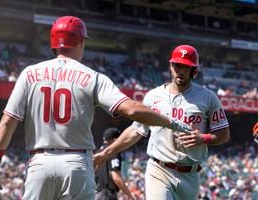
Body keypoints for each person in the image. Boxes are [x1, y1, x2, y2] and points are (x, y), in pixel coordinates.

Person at [0, 16, 191, 200]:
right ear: (80, 41)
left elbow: (8, 122)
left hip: (39, 163)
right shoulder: (92, 77)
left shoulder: (29, 73)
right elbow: (132, 110)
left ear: (54, 43)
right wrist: (170, 121)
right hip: (77, 164)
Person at [94, 44, 230, 200]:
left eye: (186, 67)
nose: (180, 70)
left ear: (195, 71)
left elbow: (224, 134)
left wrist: (204, 138)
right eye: (177, 65)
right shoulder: (153, 96)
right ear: (170, 66)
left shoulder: (208, 97)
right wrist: (105, 153)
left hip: (191, 174)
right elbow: (136, 131)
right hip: (159, 169)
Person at [95, 127, 134, 200]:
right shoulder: (112, 151)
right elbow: (116, 176)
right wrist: (130, 196)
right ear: (115, 140)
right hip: (107, 194)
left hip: (95, 193)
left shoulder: (97, 153)